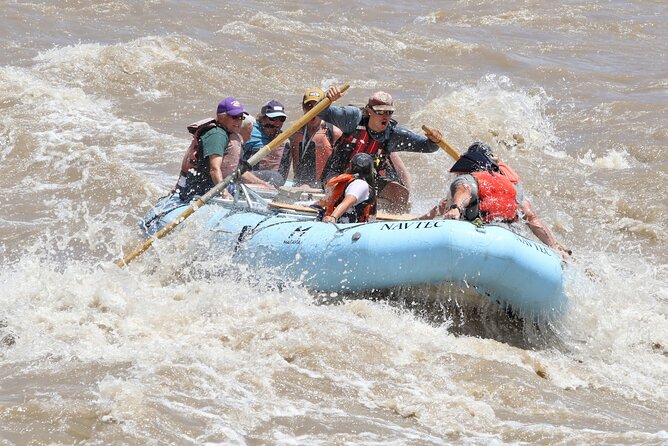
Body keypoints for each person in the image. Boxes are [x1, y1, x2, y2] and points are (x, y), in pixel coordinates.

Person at [417, 145, 572, 261]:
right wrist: (553, 246)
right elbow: (532, 218)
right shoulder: (511, 186)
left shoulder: (469, 179)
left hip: (482, 239)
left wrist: (455, 208)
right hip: (513, 241)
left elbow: (463, 189)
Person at [318, 86, 443, 212]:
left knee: (400, 193)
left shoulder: (393, 135)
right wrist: (327, 99)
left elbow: (427, 146)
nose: (385, 117)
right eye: (380, 111)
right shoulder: (352, 118)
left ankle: (391, 223)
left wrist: (435, 140)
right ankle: (331, 213)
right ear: (369, 111)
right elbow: (320, 112)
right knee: (336, 187)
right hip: (337, 174)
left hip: (369, 179)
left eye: (389, 112)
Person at [174, 97, 247, 201]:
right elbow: (214, 169)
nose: (238, 121)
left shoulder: (225, 133)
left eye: (241, 117)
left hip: (211, 185)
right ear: (220, 117)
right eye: (234, 117)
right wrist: (224, 194)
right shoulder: (217, 135)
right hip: (202, 189)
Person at [289, 88, 343, 188]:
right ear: (303, 107)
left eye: (318, 106)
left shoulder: (334, 133)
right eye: (309, 106)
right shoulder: (294, 132)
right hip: (299, 186)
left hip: (324, 187)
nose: (313, 111)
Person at [241, 100, 291, 187]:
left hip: (269, 177)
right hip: (246, 174)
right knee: (275, 177)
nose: (278, 123)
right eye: (273, 119)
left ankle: (277, 187)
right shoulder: (250, 131)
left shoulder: (281, 135)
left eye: (281, 119)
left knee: (286, 144)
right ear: (263, 118)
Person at [322, 153, 376, 224]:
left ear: (351, 167)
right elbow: (346, 201)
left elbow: (347, 201)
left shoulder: (356, 183)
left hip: (347, 227)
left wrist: (333, 217)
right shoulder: (358, 184)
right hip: (347, 226)